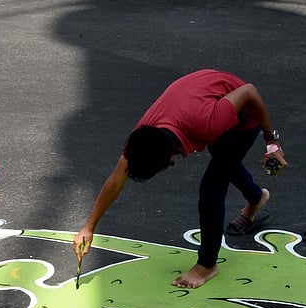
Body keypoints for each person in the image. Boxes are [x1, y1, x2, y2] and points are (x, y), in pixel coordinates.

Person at [73, 70, 287, 289]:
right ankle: (256, 198)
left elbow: (249, 91)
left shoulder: (207, 123)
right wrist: (88, 228)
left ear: (169, 158)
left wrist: (271, 142)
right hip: (209, 102)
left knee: (212, 187)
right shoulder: (143, 138)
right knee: (223, 161)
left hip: (244, 114)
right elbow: (116, 180)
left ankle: (207, 265)